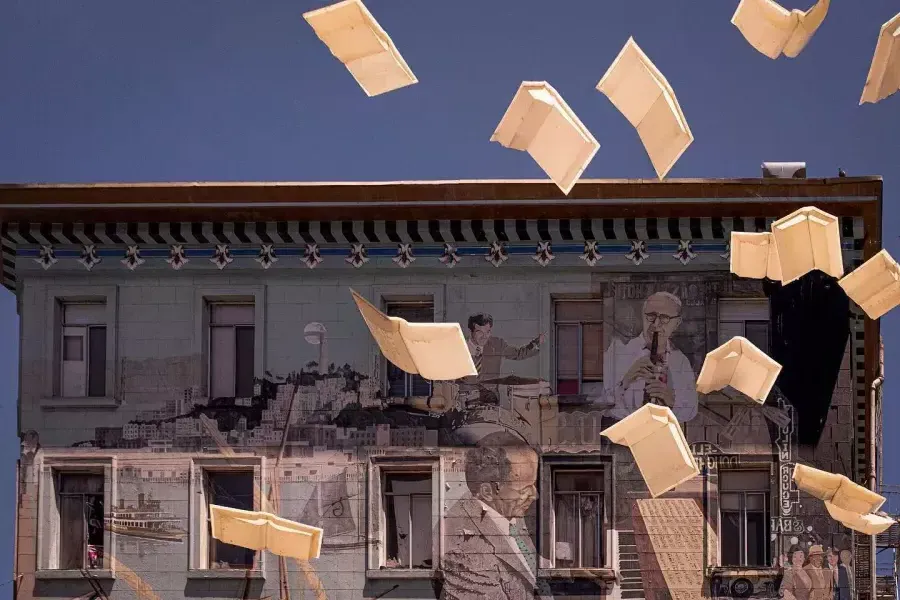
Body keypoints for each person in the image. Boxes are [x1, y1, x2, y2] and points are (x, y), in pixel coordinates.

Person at [441, 432, 548, 600]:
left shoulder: (508, 513)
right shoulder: (463, 546)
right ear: (487, 492)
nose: (535, 496)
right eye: (524, 490)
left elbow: (526, 567)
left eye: (534, 485)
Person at [601, 292, 698, 422]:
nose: (656, 324)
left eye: (664, 318)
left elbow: (691, 410)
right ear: (642, 316)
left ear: (676, 323)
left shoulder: (680, 361)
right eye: (651, 316)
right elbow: (602, 403)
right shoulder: (618, 351)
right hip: (623, 434)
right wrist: (627, 379)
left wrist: (671, 399)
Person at [465, 313, 544, 383]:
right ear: (471, 332)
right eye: (480, 332)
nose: (485, 337)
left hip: (490, 397)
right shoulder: (459, 347)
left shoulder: (497, 344)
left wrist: (537, 342)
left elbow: (518, 354)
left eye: (488, 332)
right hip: (464, 397)